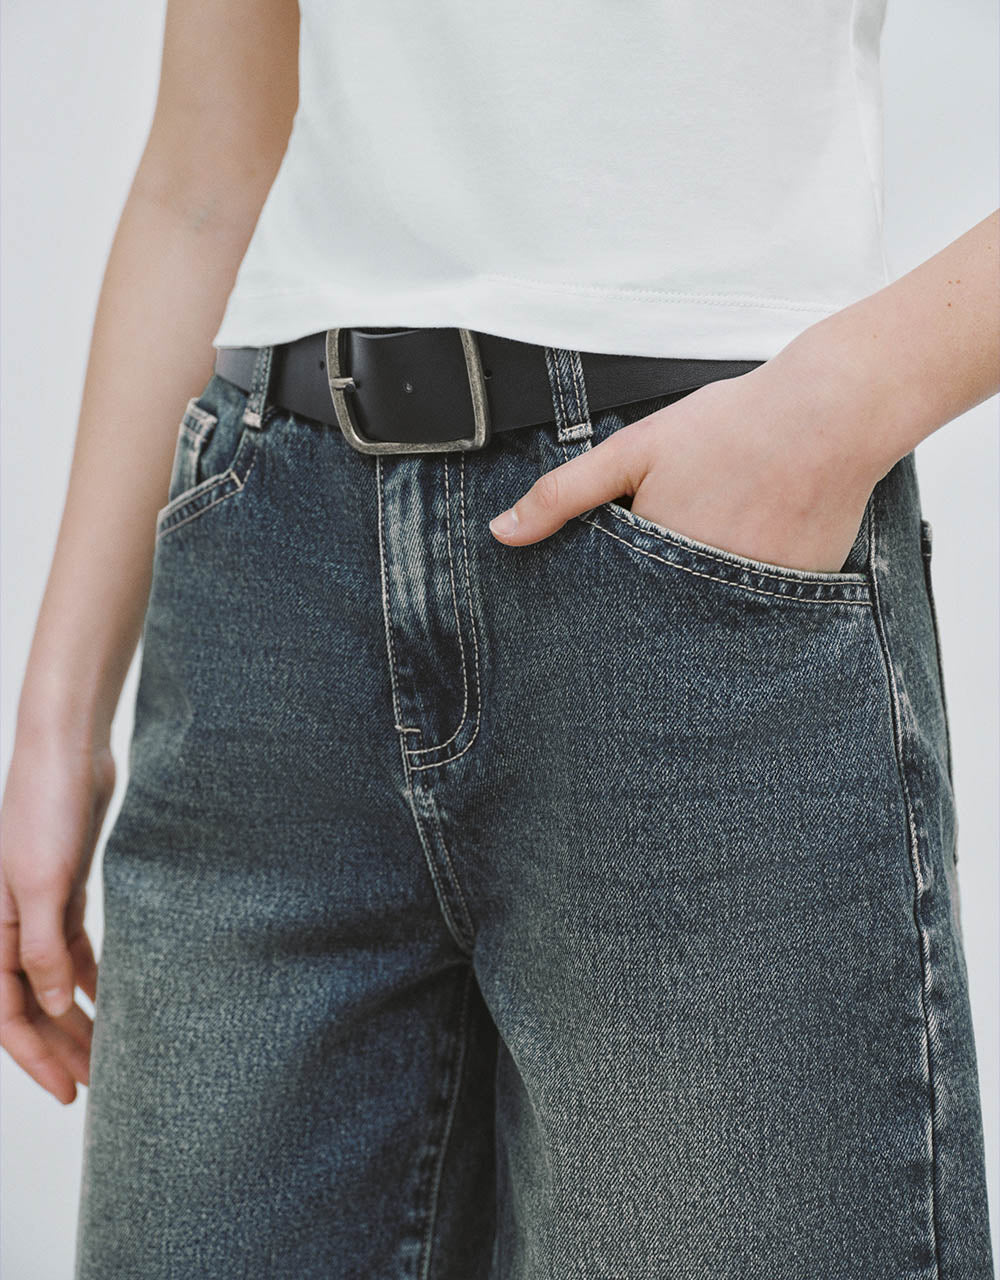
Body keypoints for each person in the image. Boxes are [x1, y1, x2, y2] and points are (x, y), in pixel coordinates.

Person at [1, 0, 996, 1275]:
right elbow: (210, 160)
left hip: (691, 587)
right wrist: (57, 718)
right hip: (269, 594)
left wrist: (842, 400)